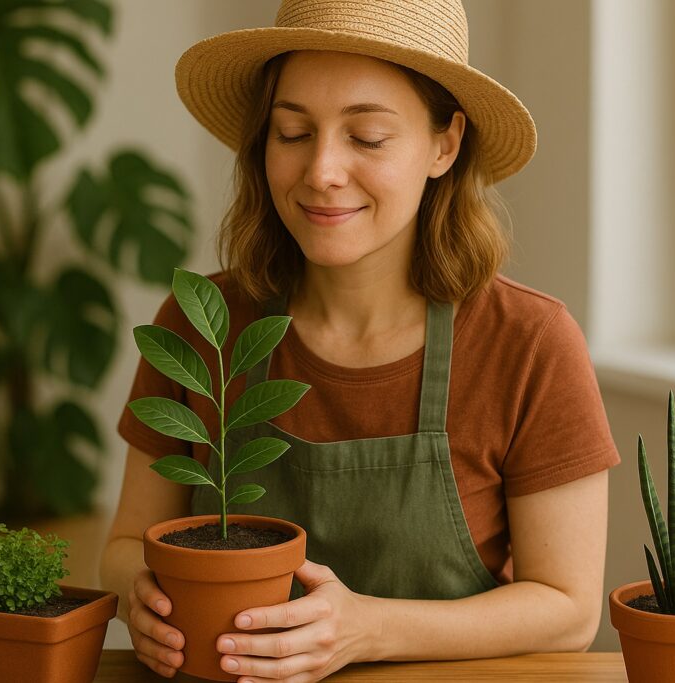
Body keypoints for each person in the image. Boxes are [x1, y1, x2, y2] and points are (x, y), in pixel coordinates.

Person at [100, 1, 621, 681]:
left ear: (445, 144)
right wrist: (138, 593)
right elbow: (124, 546)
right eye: (292, 132)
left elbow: (569, 609)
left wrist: (367, 628)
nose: (320, 171)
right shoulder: (204, 322)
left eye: (367, 137)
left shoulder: (529, 343)